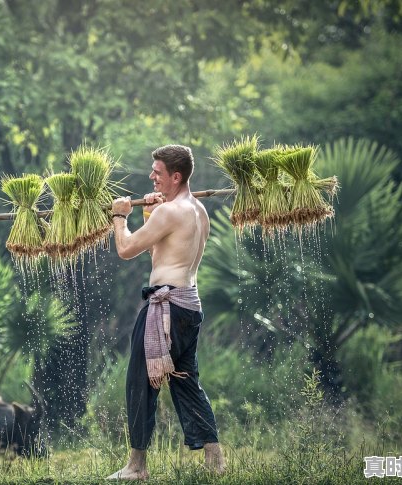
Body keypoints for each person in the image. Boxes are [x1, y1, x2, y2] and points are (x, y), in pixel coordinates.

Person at [107, 145, 225, 480]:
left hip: (165, 308)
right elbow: (164, 255)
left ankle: (136, 466)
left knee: (140, 383)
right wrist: (148, 215)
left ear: (176, 176)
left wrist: (119, 215)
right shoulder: (197, 210)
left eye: (158, 173)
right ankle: (216, 462)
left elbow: (127, 249)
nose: (151, 177)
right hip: (189, 307)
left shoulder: (169, 212)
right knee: (187, 383)